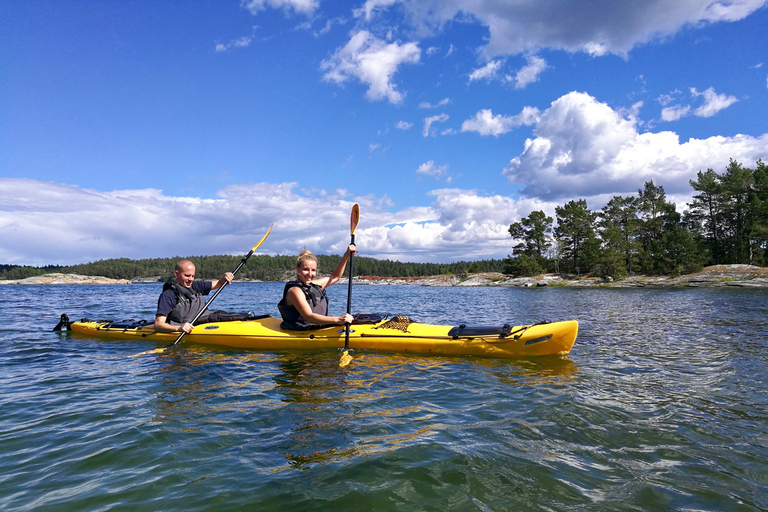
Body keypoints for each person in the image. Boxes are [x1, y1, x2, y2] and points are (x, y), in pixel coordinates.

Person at [278, 244, 356, 330]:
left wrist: (346, 255)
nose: (310, 274)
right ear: (297, 270)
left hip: (318, 329)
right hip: (303, 332)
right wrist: (338, 319)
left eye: (313, 270)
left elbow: (335, 277)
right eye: (306, 269)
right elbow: (309, 316)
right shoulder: (295, 291)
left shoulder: (313, 285)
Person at [154, 259, 245, 334]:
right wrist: (179, 328)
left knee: (229, 315)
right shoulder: (167, 295)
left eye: (193, 276)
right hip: (189, 325)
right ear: (176, 274)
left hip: (206, 319)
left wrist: (225, 277)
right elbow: (158, 325)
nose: (191, 279)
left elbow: (218, 283)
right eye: (187, 276)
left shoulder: (196, 286)